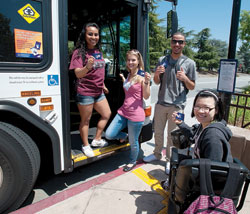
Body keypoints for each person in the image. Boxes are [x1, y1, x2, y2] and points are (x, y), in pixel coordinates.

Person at [143, 32, 197, 175]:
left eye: (180, 42)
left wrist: (185, 78)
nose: (177, 44)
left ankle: (169, 160)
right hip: (161, 103)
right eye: (174, 41)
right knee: (158, 132)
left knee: (172, 136)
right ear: (171, 43)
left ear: (184, 44)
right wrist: (156, 73)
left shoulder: (189, 63)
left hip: (177, 105)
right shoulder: (162, 60)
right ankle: (156, 154)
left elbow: (192, 86)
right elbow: (156, 81)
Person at [161, 89, 233, 190]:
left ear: (216, 110)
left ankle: (177, 190)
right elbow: (193, 137)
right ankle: (173, 183)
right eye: (198, 106)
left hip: (208, 184)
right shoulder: (205, 125)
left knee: (180, 164)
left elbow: (212, 171)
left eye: (206, 108)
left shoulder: (213, 136)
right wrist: (180, 123)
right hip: (200, 166)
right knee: (177, 159)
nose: (200, 111)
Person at [69, 23, 111, 157]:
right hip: (85, 92)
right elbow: (77, 74)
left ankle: (97, 139)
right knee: (85, 120)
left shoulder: (99, 52)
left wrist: (103, 84)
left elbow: (98, 71)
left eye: (96, 34)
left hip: (98, 91)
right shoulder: (78, 53)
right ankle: (86, 145)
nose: (94, 37)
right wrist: (87, 67)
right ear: (84, 35)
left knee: (107, 114)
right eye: (90, 34)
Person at [105, 49, 151, 172]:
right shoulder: (129, 75)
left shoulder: (142, 77)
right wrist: (123, 78)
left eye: (133, 60)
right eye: (129, 60)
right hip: (123, 111)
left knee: (134, 142)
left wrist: (147, 82)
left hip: (136, 116)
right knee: (109, 134)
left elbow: (146, 96)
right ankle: (125, 136)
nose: (130, 62)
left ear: (138, 61)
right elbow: (129, 88)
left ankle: (132, 161)